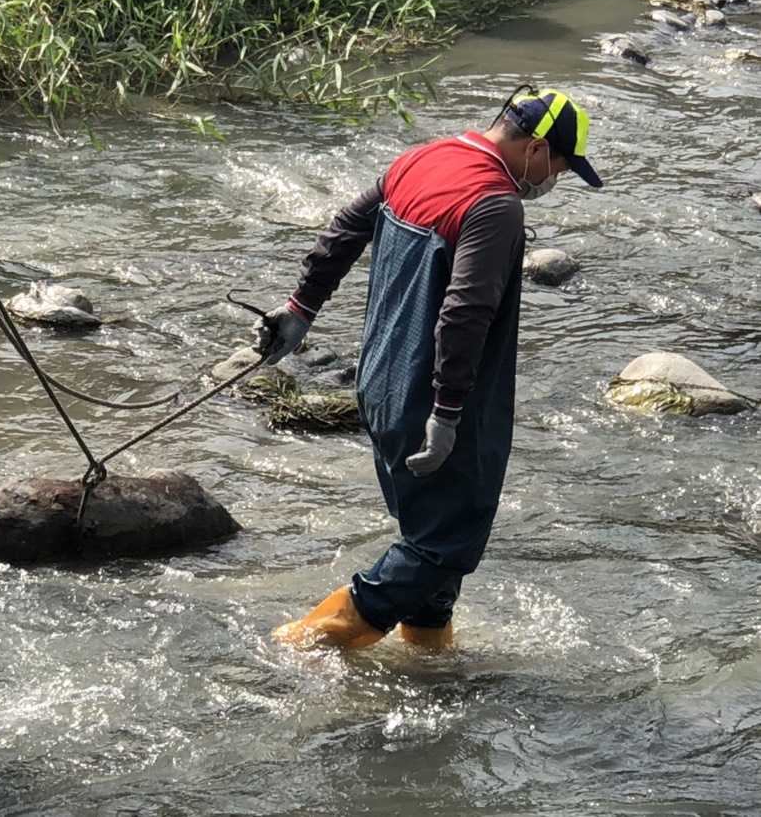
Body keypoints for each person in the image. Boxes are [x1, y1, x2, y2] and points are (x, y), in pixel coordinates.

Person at [258, 86, 603, 651]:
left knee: (429, 531)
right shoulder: (494, 203)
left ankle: (429, 653)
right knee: (447, 543)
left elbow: (344, 229)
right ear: (538, 149)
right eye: (560, 166)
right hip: (437, 398)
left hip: (381, 384)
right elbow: (465, 312)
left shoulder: (423, 157)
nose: (554, 180)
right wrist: (447, 412)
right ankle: (312, 638)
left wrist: (299, 310)